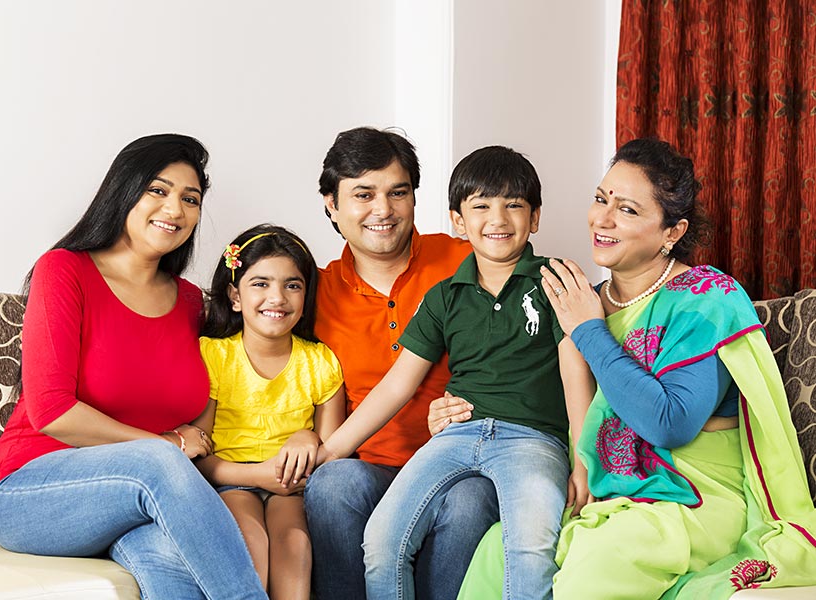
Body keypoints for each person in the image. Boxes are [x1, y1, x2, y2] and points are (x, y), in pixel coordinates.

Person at [456, 137, 816, 599]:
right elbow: (550, 404)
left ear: (672, 231)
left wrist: (589, 333)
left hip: (692, 501)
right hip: (612, 498)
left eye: (627, 210)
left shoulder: (705, 298)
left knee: (597, 566)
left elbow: (669, 424)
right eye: (601, 199)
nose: (602, 219)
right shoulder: (586, 301)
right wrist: (451, 406)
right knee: (498, 549)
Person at [0, 134, 267, 600]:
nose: (174, 209)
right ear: (124, 190)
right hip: (28, 491)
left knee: (169, 564)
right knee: (159, 463)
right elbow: (53, 411)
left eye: (189, 199)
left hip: (132, 499)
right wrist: (167, 444)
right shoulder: (65, 270)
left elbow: (226, 385)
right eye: (158, 190)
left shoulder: (193, 304)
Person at [316, 145, 595, 600]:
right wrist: (331, 451)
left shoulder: (555, 281)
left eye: (514, 205)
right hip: (455, 437)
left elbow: (574, 371)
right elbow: (397, 384)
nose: (498, 219)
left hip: (532, 441)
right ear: (458, 222)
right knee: (383, 541)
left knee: (530, 548)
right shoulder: (445, 295)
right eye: (481, 206)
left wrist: (584, 461)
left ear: (536, 217)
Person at [303, 127, 501, 600]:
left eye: (398, 193)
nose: (383, 210)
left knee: (471, 500)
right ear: (331, 204)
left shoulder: (466, 259)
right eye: (363, 195)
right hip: (369, 467)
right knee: (332, 485)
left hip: (460, 464)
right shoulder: (312, 292)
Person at [191, 224, 346, 600]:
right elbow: (197, 456)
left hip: (290, 490)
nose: (276, 297)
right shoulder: (212, 356)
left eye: (292, 285)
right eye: (260, 283)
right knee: (249, 539)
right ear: (235, 296)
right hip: (230, 479)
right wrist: (257, 475)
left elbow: (333, 450)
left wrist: (307, 437)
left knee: (294, 542)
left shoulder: (320, 362)